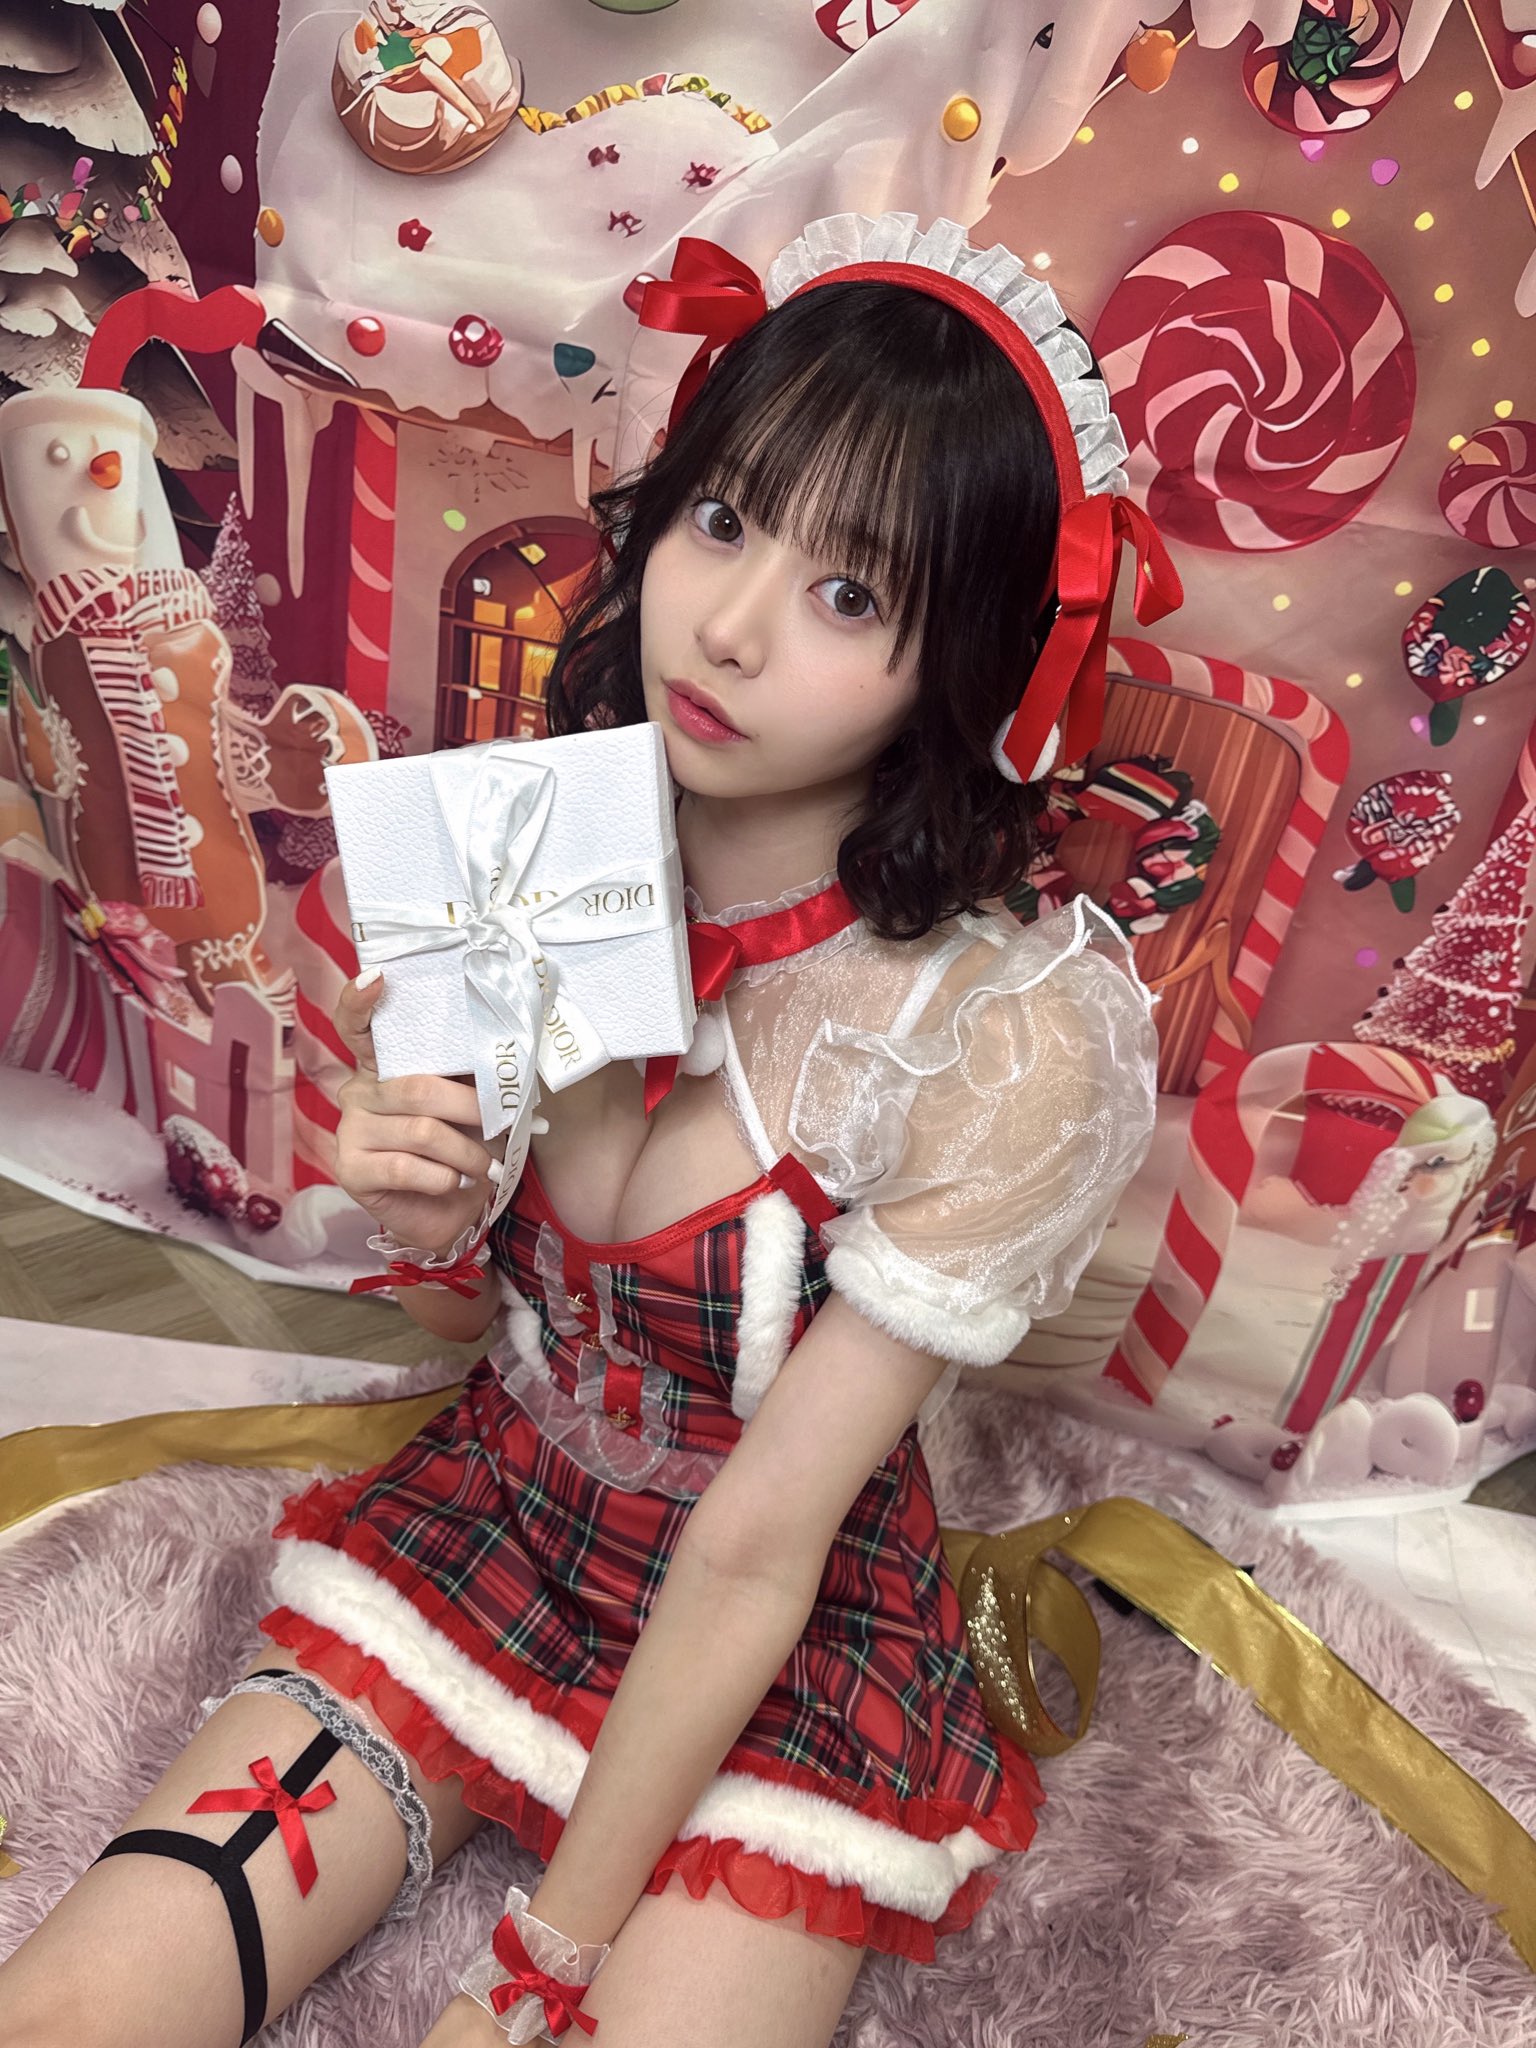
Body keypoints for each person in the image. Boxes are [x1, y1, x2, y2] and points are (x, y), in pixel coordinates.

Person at [0, 211, 1176, 2048]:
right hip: (502, 1517)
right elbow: (482, 1322)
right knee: (73, 2008)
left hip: (780, 1637)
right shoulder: (528, 845)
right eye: (727, 518)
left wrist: (549, 1953)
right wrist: (423, 1209)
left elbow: (758, 1548)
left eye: (852, 596)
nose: (733, 624)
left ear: (972, 662)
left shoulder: (1000, 1036)